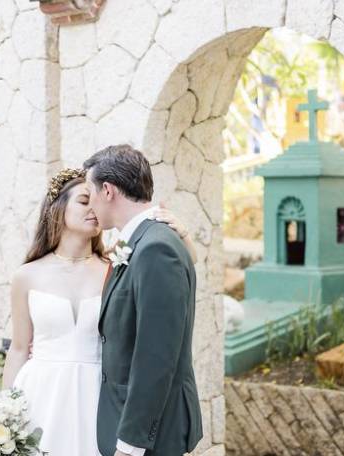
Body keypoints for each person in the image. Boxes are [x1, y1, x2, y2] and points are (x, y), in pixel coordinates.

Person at [1, 166, 196, 455]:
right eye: (83, 201)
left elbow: (172, 279)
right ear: (58, 209)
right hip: (40, 396)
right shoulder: (26, 276)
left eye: (94, 199)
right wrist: (3, 414)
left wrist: (184, 236)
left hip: (99, 395)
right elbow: (18, 349)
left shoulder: (117, 267)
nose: (92, 207)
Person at [84, 144, 203, 456]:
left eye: (90, 193)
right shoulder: (143, 241)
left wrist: (130, 445)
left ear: (107, 190)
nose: (90, 205)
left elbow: (156, 356)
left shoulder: (155, 248)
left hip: (152, 435)